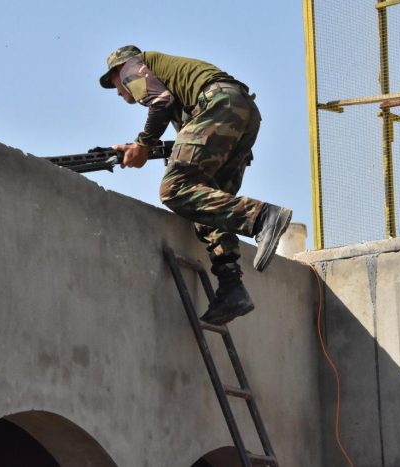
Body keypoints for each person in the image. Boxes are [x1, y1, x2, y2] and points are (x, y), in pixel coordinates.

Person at [97, 45, 292, 326]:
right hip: (241, 110)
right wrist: (139, 148)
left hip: (218, 103)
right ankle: (230, 285)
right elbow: (186, 131)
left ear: (119, 70)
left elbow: (160, 103)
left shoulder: (131, 68)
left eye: (114, 83)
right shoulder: (175, 82)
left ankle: (262, 217)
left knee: (174, 189)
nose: (118, 90)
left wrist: (142, 144)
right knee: (205, 200)